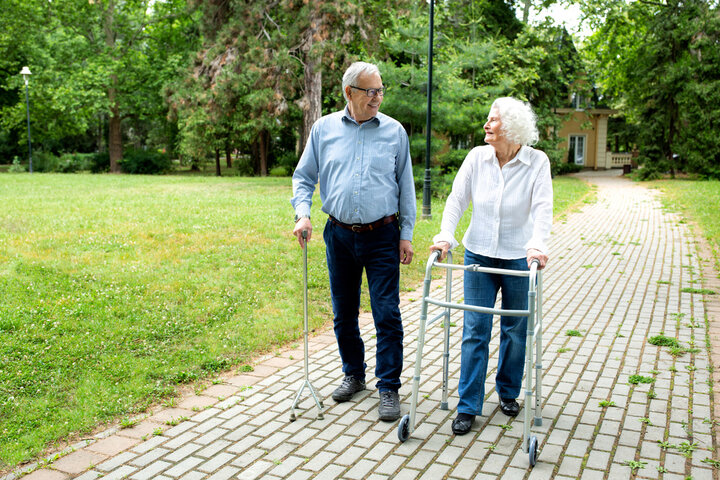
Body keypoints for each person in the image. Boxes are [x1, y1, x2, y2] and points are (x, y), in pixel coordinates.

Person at [291, 61, 416, 422]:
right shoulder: (323, 129)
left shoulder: (394, 132)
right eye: (371, 91)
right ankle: (354, 374)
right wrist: (303, 212)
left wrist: (405, 235)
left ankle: (389, 386)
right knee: (343, 313)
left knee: (386, 313)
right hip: (339, 234)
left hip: (383, 235)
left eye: (380, 90)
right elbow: (303, 178)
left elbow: (406, 187)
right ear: (350, 92)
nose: (377, 97)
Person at [430, 97, 552, 435]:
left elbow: (543, 208)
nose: (487, 124)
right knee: (475, 330)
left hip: (518, 256)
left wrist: (538, 247)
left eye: (493, 120)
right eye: (488, 118)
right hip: (479, 254)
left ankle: (509, 392)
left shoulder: (536, 163)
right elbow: (457, 199)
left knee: (515, 331)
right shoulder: (476, 158)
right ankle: (468, 405)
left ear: (511, 128)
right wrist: (445, 235)